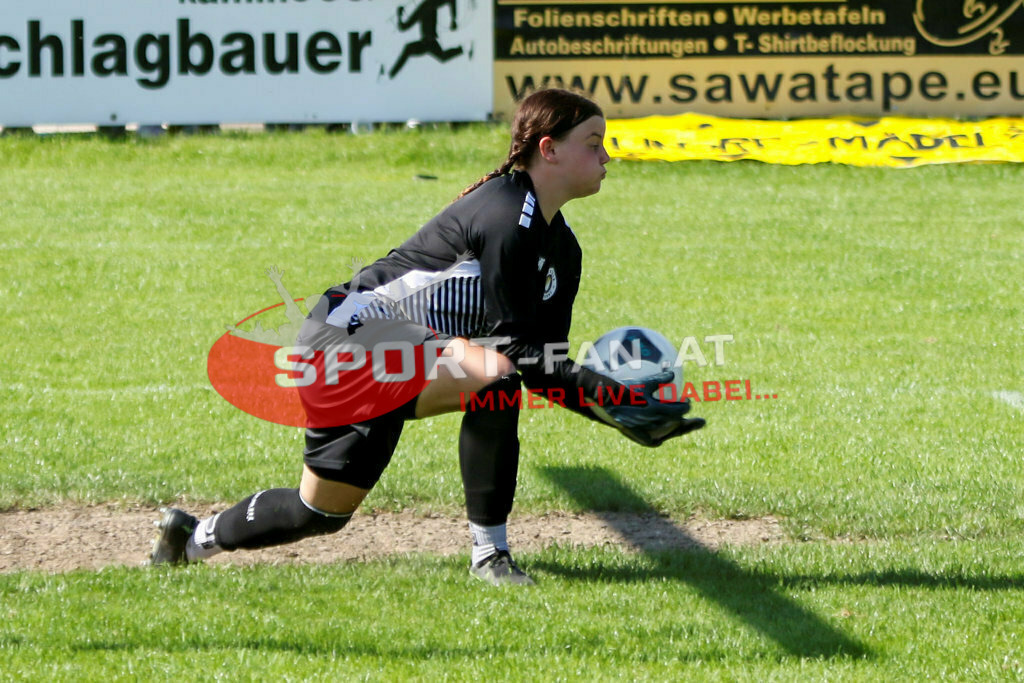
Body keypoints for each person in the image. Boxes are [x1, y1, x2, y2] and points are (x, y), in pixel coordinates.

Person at [150, 89, 704, 586]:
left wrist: (620, 415)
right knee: (494, 376)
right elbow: (515, 357)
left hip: (396, 352)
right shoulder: (507, 216)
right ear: (549, 149)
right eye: (593, 142)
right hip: (344, 339)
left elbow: (545, 364)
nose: (607, 156)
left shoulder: (563, 248)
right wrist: (612, 399)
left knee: (319, 513)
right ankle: (491, 557)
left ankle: (190, 540)